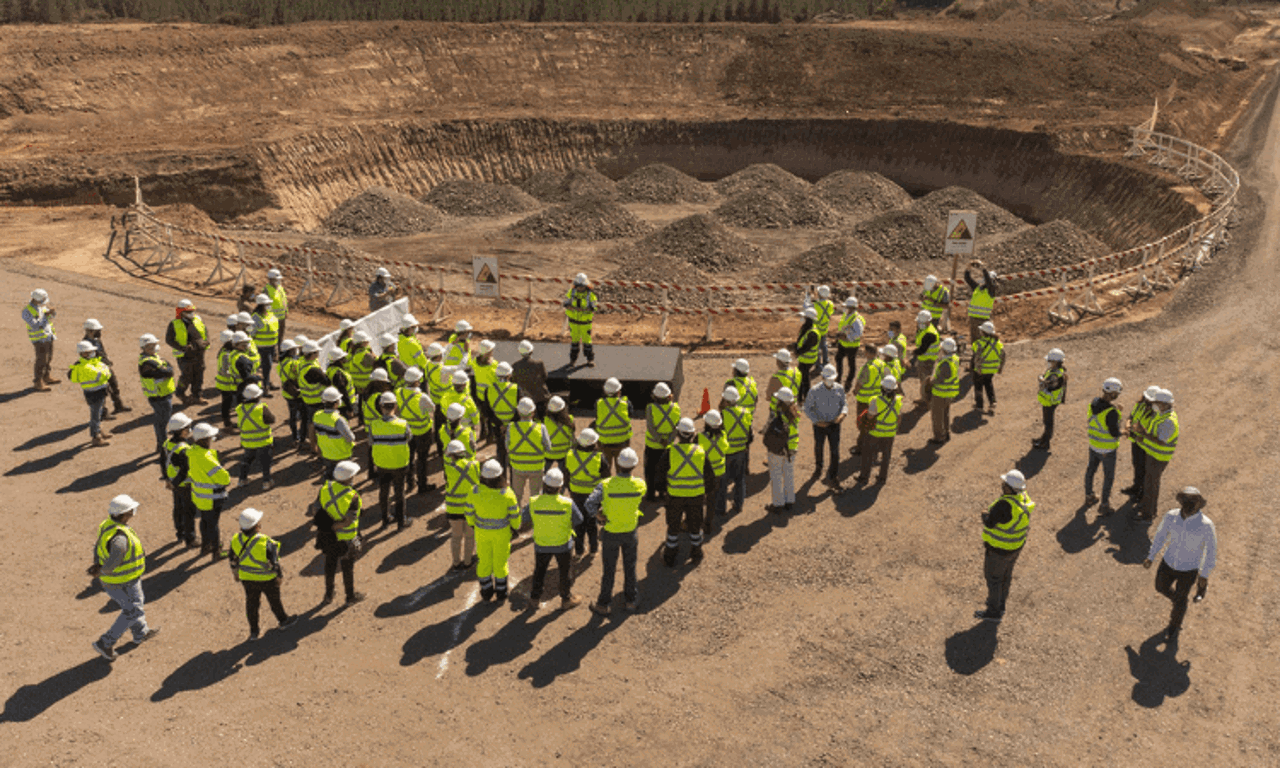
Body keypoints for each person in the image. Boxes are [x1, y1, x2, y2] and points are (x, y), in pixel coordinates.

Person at [88, 494, 160, 661]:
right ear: (125, 513)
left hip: (122, 579)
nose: (134, 512)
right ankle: (106, 642)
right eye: (131, 510)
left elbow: (98, 546)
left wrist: (98, 566)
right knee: (133, 610)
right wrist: (103, 571)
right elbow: (114, 562)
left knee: (134, 606)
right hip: (120, 580)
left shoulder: (108, 524)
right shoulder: (120, 538)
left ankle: (140, 633)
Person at [1144, 487, 1216, 644]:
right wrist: (1151, 556)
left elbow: (1210, 552)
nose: (1189, 504)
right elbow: (1160, 536)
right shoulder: (1171, 516)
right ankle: (1179, 602)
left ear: (1199, 504)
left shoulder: (1206, 525)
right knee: (1160, 587)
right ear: (1181, 501)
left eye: (1193, 501)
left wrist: (1204, 574)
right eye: (1185, 500)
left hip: (1189, 569)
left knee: (1181, 598)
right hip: (1168, 562)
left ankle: (1174, 625)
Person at [588, 448, 646, 616]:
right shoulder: (640, 484)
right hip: (630, 531)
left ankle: (603, 604)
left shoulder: (605, 485)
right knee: (630, 567)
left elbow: (590, 504)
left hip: (611, 531)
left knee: (609, 570)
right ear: (634, 466)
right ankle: (631, 601)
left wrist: (599, 515)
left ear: (618, 465)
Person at [521, 468, 584, 610]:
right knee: (565, 572)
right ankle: (566, 599)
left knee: (539, 570)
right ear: (560, 487)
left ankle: (534, 599)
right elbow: (579, 519)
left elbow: (524, 519)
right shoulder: (568, 503)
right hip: (563, 544)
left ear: (544, 485)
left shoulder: (533, 502)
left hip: (541, 544)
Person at [977, 469, 1034, 623]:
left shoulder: (1004, 505)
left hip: (999, 550)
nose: (1002, 484)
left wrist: (984, 513)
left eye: (1005, 483)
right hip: (1015, 547)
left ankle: (993, 612)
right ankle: (1000, 606)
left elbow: (989, 522)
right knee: (1005, 578)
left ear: (1009, 487)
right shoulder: (1023, 497)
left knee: (994, 579)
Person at [228, 508, 295, 640]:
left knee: (251, 604)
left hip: (247, 579)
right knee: (274, 601)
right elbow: (274, 562)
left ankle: (254, 631)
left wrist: (235, 574)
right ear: (257, 526)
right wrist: (279, 576)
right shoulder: (265, 541)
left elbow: (233, 559)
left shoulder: (236, 540)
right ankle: (283, 621)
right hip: (268, 579)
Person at [465, 459, 521, 601]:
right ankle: (501, 592)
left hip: (481, 533)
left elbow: (469, 513)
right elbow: (515, 517)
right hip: (502, 534)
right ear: (500, 476)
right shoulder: (507, 494)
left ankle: (486, 591)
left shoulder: (475, 491)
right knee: (500, 563)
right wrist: (515, 527)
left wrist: (473, 524)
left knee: (483, 561)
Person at [315, 461, 367, 605]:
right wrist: (341, 524)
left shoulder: (325, 488)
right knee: (347, 568)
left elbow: (318, 509)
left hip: (328, 536)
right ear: (349, 478)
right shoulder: (353, 496)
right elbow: (353, 517)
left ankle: (328, 594)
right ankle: (350, 597)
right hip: (347, 538)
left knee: (329, 565)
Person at [664, 418, 706, 567]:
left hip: (675, 497)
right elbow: (709, 476)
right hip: (695, 496)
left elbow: (660, 475)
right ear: (693, 433)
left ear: (678, 434)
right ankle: (696, 552)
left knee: (673, 526)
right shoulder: (700, 452)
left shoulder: (670, 452)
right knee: (695, 525)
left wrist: (664, 491)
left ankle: (670, 554)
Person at [1133, 388, 1179, 522]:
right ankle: (1147, 506)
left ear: (1164, 404)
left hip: (1158, 458)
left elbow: (1161, 441)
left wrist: (1143, 435)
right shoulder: (1162, 414)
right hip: (1153, 455)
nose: (1153, 404)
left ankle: (1148, 513)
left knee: (1151, 485)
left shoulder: (1168, 421)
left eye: (1156, 402)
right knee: (1149, 482)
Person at [187, 423, 231, 561]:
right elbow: (225, 479)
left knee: (204, 521)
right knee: (213, 524)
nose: (212, 440)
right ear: (205, 439)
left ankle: (206, 546)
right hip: (213, 497)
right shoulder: (207, 458)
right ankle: (216, 551)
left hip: (199, 496)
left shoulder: (192, 451)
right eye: (211, 438)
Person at [370, 392, 412, 531]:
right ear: (395, 405)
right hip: (400, 464)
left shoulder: (374, 425)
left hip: (382, 464)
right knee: (399, 492)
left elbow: (371, 442)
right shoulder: (403, 424)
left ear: (381, 407)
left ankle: (385, 520)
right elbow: (409, 438)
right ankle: (401, 521)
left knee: (383, 492)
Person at [1085, 378, 1125, 516]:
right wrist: (1125, 429)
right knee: (1108, 477)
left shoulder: (1094, 402)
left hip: (1093, 445)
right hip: (1107, 449)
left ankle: (1089, 496)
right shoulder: (1111, 412)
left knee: (1091, 470)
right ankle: (1104, 505)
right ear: (1114, 394)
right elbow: (1115, 433)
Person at [804, 364, 847, 488]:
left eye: (832, 379)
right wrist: (817, 421)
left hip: (834, 424)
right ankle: (819, 466)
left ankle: (833, 474)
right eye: (827, 379)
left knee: (835, 450)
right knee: (819, 446)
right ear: (822, 377)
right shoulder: (814, 390)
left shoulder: (839, 389)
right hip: (819, 425)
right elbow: (808, 408)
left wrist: (843, 414)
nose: (830, 381)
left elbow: (844, 403)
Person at [397, 367, 437, 495]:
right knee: (422, 460)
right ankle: (422, 484)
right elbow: (432, 409)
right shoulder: (422, 397)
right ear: (416, 382)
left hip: (406, 431)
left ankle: (410, 482)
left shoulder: (399, 392)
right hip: (422, 432)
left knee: (409, 457)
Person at [855, 375, 901, 486]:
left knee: (868, 455)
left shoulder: (875, 400)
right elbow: (899, 418)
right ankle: (882, 478)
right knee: (886, 456)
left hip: (874, 433)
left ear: (882, 388)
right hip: (890, 433)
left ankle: (864, 477)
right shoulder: (898, 401)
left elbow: (870, 416)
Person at [163, 412, 198, 548]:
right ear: (183, 431)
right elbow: (184, 470)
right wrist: (175, 482)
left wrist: (168, 480)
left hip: (173, 482)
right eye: (188, 427)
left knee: (177, 508)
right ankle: (191, 538)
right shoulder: (184, 449)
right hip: (184, 484)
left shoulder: (166, 444)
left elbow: (162, 462)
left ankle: (180, 533)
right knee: (189, 511)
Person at [82, 318, 131, 416]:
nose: (99, 332)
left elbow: (102, 352)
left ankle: (118, 405)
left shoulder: (97, 340)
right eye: (97, 331)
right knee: (102, 391)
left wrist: (107, 361)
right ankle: (103, 413)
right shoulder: (85, 344)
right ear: (90, 331)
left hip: (105, 367)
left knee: (114, 385)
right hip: (97, 371)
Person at [442, 440, 479, 571]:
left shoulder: (448, 468)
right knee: (470, 536)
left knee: (456, 537)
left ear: (451, 455)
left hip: (453, 508)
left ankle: (456, 563)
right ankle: (468, 561)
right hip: (470, 508)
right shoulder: (475, 465)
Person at [69, 339, 114, 447]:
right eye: (88, 352)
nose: (91, 353)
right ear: (82, 353)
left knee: (98, 413)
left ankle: (99, 431)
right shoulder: (86, 367)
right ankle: (96, 437)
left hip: (97, 392)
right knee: (95, 415)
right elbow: (105, 374)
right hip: (94, 394)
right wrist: (105, 369)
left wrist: (104, 369)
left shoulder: (86, 363)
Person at [566, 428, 603, 557]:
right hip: (593, 495)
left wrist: (570, 489)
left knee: (578, 523)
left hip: (576, 493)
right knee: (591, 522)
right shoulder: (599, 457)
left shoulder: (570, 455)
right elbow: (606, 477)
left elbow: (566, 475)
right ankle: (594, 549)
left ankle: (579, 551)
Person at [509, 397, 552, 507]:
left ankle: (517, 519)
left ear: (518, 412)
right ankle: (532, 519)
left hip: (517, 466)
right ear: (533, 412)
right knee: (535, 496)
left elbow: (507, 446)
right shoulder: (541, 428)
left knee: (517, 495)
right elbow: (549, 447)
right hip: (536, 467)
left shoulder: (511, 427)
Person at [1121, 386, 1160, 504]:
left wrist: (1141, 434)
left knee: (1144, 469)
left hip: (1146, 445)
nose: (1147, 401)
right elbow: (1131, 417)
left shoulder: (1157, 413)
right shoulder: (1140, 405)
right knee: (1137, 465)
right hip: (1136, 442)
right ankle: (1136, 487)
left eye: (1150, 400)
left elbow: (1154, 434)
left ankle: (1142, 493)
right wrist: (1128, 425)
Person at [137, 334, 176, 452]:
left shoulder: (155, 358)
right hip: (158, 397)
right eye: (149, 346)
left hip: (164, 394)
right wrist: (166, 369)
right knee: (162, 422)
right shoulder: (147, 362)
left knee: (163, 420)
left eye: (154, 345)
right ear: (143, 348)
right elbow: (168, 372)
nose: (153, 348)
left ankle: (162, 444)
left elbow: (169, 369)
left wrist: (167, 369)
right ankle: (162, 445)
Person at [166, 298, 209, 404]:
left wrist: (206, 341)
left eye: (192, 311)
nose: (191, 313)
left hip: (199, 353)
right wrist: (182, 348)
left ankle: (197, 396)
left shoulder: (198, 319)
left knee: (199, 375)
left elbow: (205, 330)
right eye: (188, 312)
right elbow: (169, 340)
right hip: (185, 356)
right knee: (187, 376)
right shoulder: (174, 324)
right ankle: (180, 393)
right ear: (181, 312)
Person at [852, 345, 892, 457]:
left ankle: (861, 447)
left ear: (869, 353)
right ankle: (876, 446)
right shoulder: (882, 364)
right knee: (875, 423)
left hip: (865, 400)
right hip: (879, 399)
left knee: (864, 424)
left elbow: (860, 383)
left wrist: (855, 391)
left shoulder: (868, 367)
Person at [764, 388, 800, 514]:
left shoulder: (777, 413)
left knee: (776, 477)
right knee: (789, 475)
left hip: (778, 450)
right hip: (791, 450)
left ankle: (778, 505)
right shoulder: (795, 413)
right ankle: (789, 501)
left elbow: (772, 406)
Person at [643, 382, 680, 502]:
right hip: (667, 446)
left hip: (652, 445)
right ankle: (663, 492)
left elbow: (650, 427)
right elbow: (676, 427)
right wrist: (668, 440)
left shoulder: (650, 408)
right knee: (665, 470)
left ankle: (651, 493)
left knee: (650, 470)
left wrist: (659, 440)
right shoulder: (676, 408)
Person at [236, 384, 276, 490]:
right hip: (263, 441)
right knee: (265, 462)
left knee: (246, 460)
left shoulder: (240, 408)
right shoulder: (261, 408)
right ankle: (266, 482)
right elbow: (271, 420)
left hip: (247, 442)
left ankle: (242, 479)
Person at [718, 386, 750, 518]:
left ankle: (720, 509)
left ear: (725, 400)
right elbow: (750, 434)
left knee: (722, 482)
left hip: (726, 452)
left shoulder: (723, 415)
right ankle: (738, 505)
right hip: (741, 451)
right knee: (739, 479)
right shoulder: (746, 412)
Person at [312, 387, 356, 480]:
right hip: (342, 455)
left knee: (330, 476)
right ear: (337, 403)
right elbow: (351, 438)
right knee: (344, 480)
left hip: (326, 453)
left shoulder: (317, 415)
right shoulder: (339, 420)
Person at [594, 377, 633, 478]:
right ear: (619, 391)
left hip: (604, 442)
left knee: (605, 470)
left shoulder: (598, 404)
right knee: (621, 471)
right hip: (622, 442)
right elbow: (630, 416)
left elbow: (597, 418)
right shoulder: (626, 403)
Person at [698, 410, 728, 535]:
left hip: (704, 474)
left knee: (699, 499)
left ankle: (696, 522)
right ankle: (708, 524)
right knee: (711, 500)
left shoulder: (700, 438)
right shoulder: (723, 436)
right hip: (719, 472)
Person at [23, 288, 58, 391]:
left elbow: (51, 317)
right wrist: (45, 316)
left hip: (48, 336)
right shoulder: (26, 311)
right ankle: (38, 382)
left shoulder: (41, 307)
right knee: (41, 360)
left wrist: (52, 312)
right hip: (39, 340)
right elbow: (35, 325)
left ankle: (46, 376)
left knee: (49, 358)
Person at [725, 359, 759, 465]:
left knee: (730, 444)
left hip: (732, 417)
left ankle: (730, 470)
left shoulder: (731, 384)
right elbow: (756, 400)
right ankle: (744, 468)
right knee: (745, 444)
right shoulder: (752, 383)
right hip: (747, 418)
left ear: (735, 371)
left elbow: (724, 402)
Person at [1032, 348, 1068, 450]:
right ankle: (1043, 439)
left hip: (1050, 402)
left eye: (1049, 360)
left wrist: (1040, 379)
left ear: (1055, 362)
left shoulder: (1055, 375)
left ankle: (1045, 443)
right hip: (1051, 401)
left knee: (1048, 423)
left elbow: (1046, 385)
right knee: (1047, 422)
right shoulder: (1057, 371)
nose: (1048, 362)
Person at [297, 341, 331, 442]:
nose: (318, 354)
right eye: (316, 352)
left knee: (310, 422)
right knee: (316, 424)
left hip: (307, 399)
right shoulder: (313, 370)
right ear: (312, 354)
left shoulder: (302, 362)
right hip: (316, 400)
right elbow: (327, 381)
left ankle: (310, 442)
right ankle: (316, 445)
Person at [928, 337, 960, 445]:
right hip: (949, 393)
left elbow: (940, 380)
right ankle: (946, 433)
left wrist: (931, 381)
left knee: (937, 416)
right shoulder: (954, 358)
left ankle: (939, 437)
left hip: (940, 393)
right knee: (945, 414)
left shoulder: (945, 363)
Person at [486, 361, 518, 466]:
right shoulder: (516, 389)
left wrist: (500, 424)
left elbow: (487, 411)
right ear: (509, 375)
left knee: (500, 448)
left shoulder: (489, 389)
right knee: (515, 446)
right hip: (513, 425)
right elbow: (520, 409)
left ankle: (502, 471)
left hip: (497, 424)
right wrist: (509, 423)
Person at [969, 321, 1004, 414]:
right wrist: (1000, 368)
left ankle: (979, 406)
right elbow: (1003, 355)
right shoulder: (998, 343)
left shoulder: (978, 343)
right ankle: (992, 402)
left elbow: (976, 357)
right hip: (992, 369)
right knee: (988, 384)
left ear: (983, 332)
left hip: (981, 369)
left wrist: (977, 368)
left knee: (978, 387)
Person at [511, 339, 551, 418]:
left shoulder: (515, 366)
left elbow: (514, 381)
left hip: (524, 399)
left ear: (520, 352)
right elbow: (545, 377)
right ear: (531, 351)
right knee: (542, 419)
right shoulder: (539, 363)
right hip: (540, 397)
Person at [564, 272, 597, 366]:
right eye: (578, 286)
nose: (580, 288)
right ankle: (572, 360)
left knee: (587, 342)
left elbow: (594, 307)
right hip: (573, 323)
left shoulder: (590, 295)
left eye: (582, 286)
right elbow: (566, 304)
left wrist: (585, 309)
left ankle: (590, 360)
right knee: (574, 342)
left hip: (585, 323)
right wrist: (573, 308)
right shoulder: (571, 293)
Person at [911, 310, 940, 406]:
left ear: (927, 322)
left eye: (920, 322)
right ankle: (924, 398)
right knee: (924, 381)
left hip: (927, 361)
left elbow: (922, 350)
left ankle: (927, 400)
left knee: (926, 381)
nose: (918, 324)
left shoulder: (930, 334)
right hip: (925, 359)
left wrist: (913, 353)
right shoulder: (926, 329)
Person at [964, 260, 998, 343]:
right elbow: (968, 279)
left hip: (984, 320)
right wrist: (968, 268)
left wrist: (983, 268)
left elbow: (989, 282)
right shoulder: (978, 289)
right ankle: (976, 355)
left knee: (984, 341)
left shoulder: (991, 290)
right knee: (975, 341)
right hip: (973, 319)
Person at [835, 296, 865, 389]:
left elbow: (859, 333)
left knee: (851, 364)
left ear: (852, 307)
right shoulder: (846, 314)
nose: (845, 308)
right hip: (843, 344)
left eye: (847, 306)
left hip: (852, 345)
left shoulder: (856, 319)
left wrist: (847, 337)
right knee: (838, 358)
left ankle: (849, 381)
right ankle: (838, 377)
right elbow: (843, 326)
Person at [278, 339, 304, 445]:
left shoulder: (280, 364)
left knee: (292, 416)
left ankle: (294, 437)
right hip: (298, 393)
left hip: (287, 393)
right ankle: (301, 436)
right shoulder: (294, 363)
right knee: (303, 415)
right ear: (290, 351)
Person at [250, 294, 279, 390]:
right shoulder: (256, 317)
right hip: (261, 347)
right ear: (261, 305)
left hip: (271, 346)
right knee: (264, 367)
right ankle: (265, 386)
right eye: (267, 304)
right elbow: (251, 333)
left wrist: (275, 347)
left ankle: (267, 383)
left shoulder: (270, 314)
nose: (269, 305)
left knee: (268, 366)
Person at [763, 349, 801, 420]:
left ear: (778, 362)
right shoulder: (797, 372)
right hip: (793, 408)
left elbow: (768, 397)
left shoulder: (776, 378)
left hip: (779, 410)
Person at [794, 307, 822, 401]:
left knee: (804, 379)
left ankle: (805, 398)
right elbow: (802, 341)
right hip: (804, 358)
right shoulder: (806, 328)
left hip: (808, 359)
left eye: (805, 317)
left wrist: (797, 352)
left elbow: (807, 347)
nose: (803, 319)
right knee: (802, 378)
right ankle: (802, 397)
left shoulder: (813, 333)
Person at [347, 331, 376, 419]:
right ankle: (366, 419)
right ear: (362, 343)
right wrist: (372, 352)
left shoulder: (352, 353)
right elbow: (377, 362)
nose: (368, 343)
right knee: (368, 402)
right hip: (367, 383)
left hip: (357, 383)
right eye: (367, 341)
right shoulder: (366, 355)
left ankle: (361, 418)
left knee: (361, 401)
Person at [543, 396, 574, 475]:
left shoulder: (545, 420)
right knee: (563, 474)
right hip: (564, 452)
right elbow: (572, 433)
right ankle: (562, 486)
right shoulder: (569, 419)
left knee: (543, 473)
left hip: (549, 453)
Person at [806, 285, 836, 367]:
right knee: (824, 346)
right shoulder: (830, 304)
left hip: (816, 330)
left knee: (817, 348)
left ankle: (818, 364)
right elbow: (822, 302)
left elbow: (807, 307)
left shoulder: (816, 305)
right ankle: (826, 361)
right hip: (824, 329)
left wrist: (809, 295)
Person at [325, 347, 356, 419]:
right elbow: (343, 391)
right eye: (342, 358)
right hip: (343, 405)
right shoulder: (338, 374)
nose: (344, 359)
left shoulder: (330, 369)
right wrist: (350, 408)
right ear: (338, 360)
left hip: (338, 403)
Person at [263, 268, 288, 348]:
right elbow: (263, 304)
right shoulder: (266, 290)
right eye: (276, 279)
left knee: (281, 335)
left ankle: (279, 350)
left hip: (281, 317)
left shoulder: (280, 288)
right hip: (272, 318)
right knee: (273, 335)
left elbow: (284, 300)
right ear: (270, 279)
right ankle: (273, 352)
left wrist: (286, 311)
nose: (278, 281)